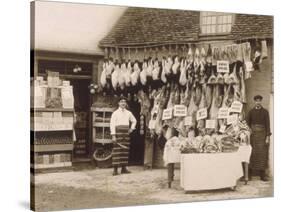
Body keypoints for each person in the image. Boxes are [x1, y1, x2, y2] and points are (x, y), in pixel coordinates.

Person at [110, 96, 137, 176]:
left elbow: (134, 121)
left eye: (124, 102)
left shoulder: (128, 113)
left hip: (126, 134)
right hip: (118, 134)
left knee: (125, 151)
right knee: (117, 151)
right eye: (121, 101)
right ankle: (115, 169)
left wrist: (131, 129)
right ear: (118, 103)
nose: (123, 103)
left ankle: (123, 168)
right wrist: (113, 135)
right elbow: (112, 124)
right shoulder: (115, 113)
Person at [246, 95, 271, 181]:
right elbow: (247, 125)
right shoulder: (251, 112)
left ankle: (262, 175)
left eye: (259, 100)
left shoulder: (265, 112)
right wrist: (248, 133)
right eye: (256, 100)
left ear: (261, 101)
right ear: (254, 102)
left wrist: (267, 137)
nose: (258, 102)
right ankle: (249, 175)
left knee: (262, 154)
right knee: (251, 153)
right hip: (253, 136)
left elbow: (268, 124)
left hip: (262, 136)